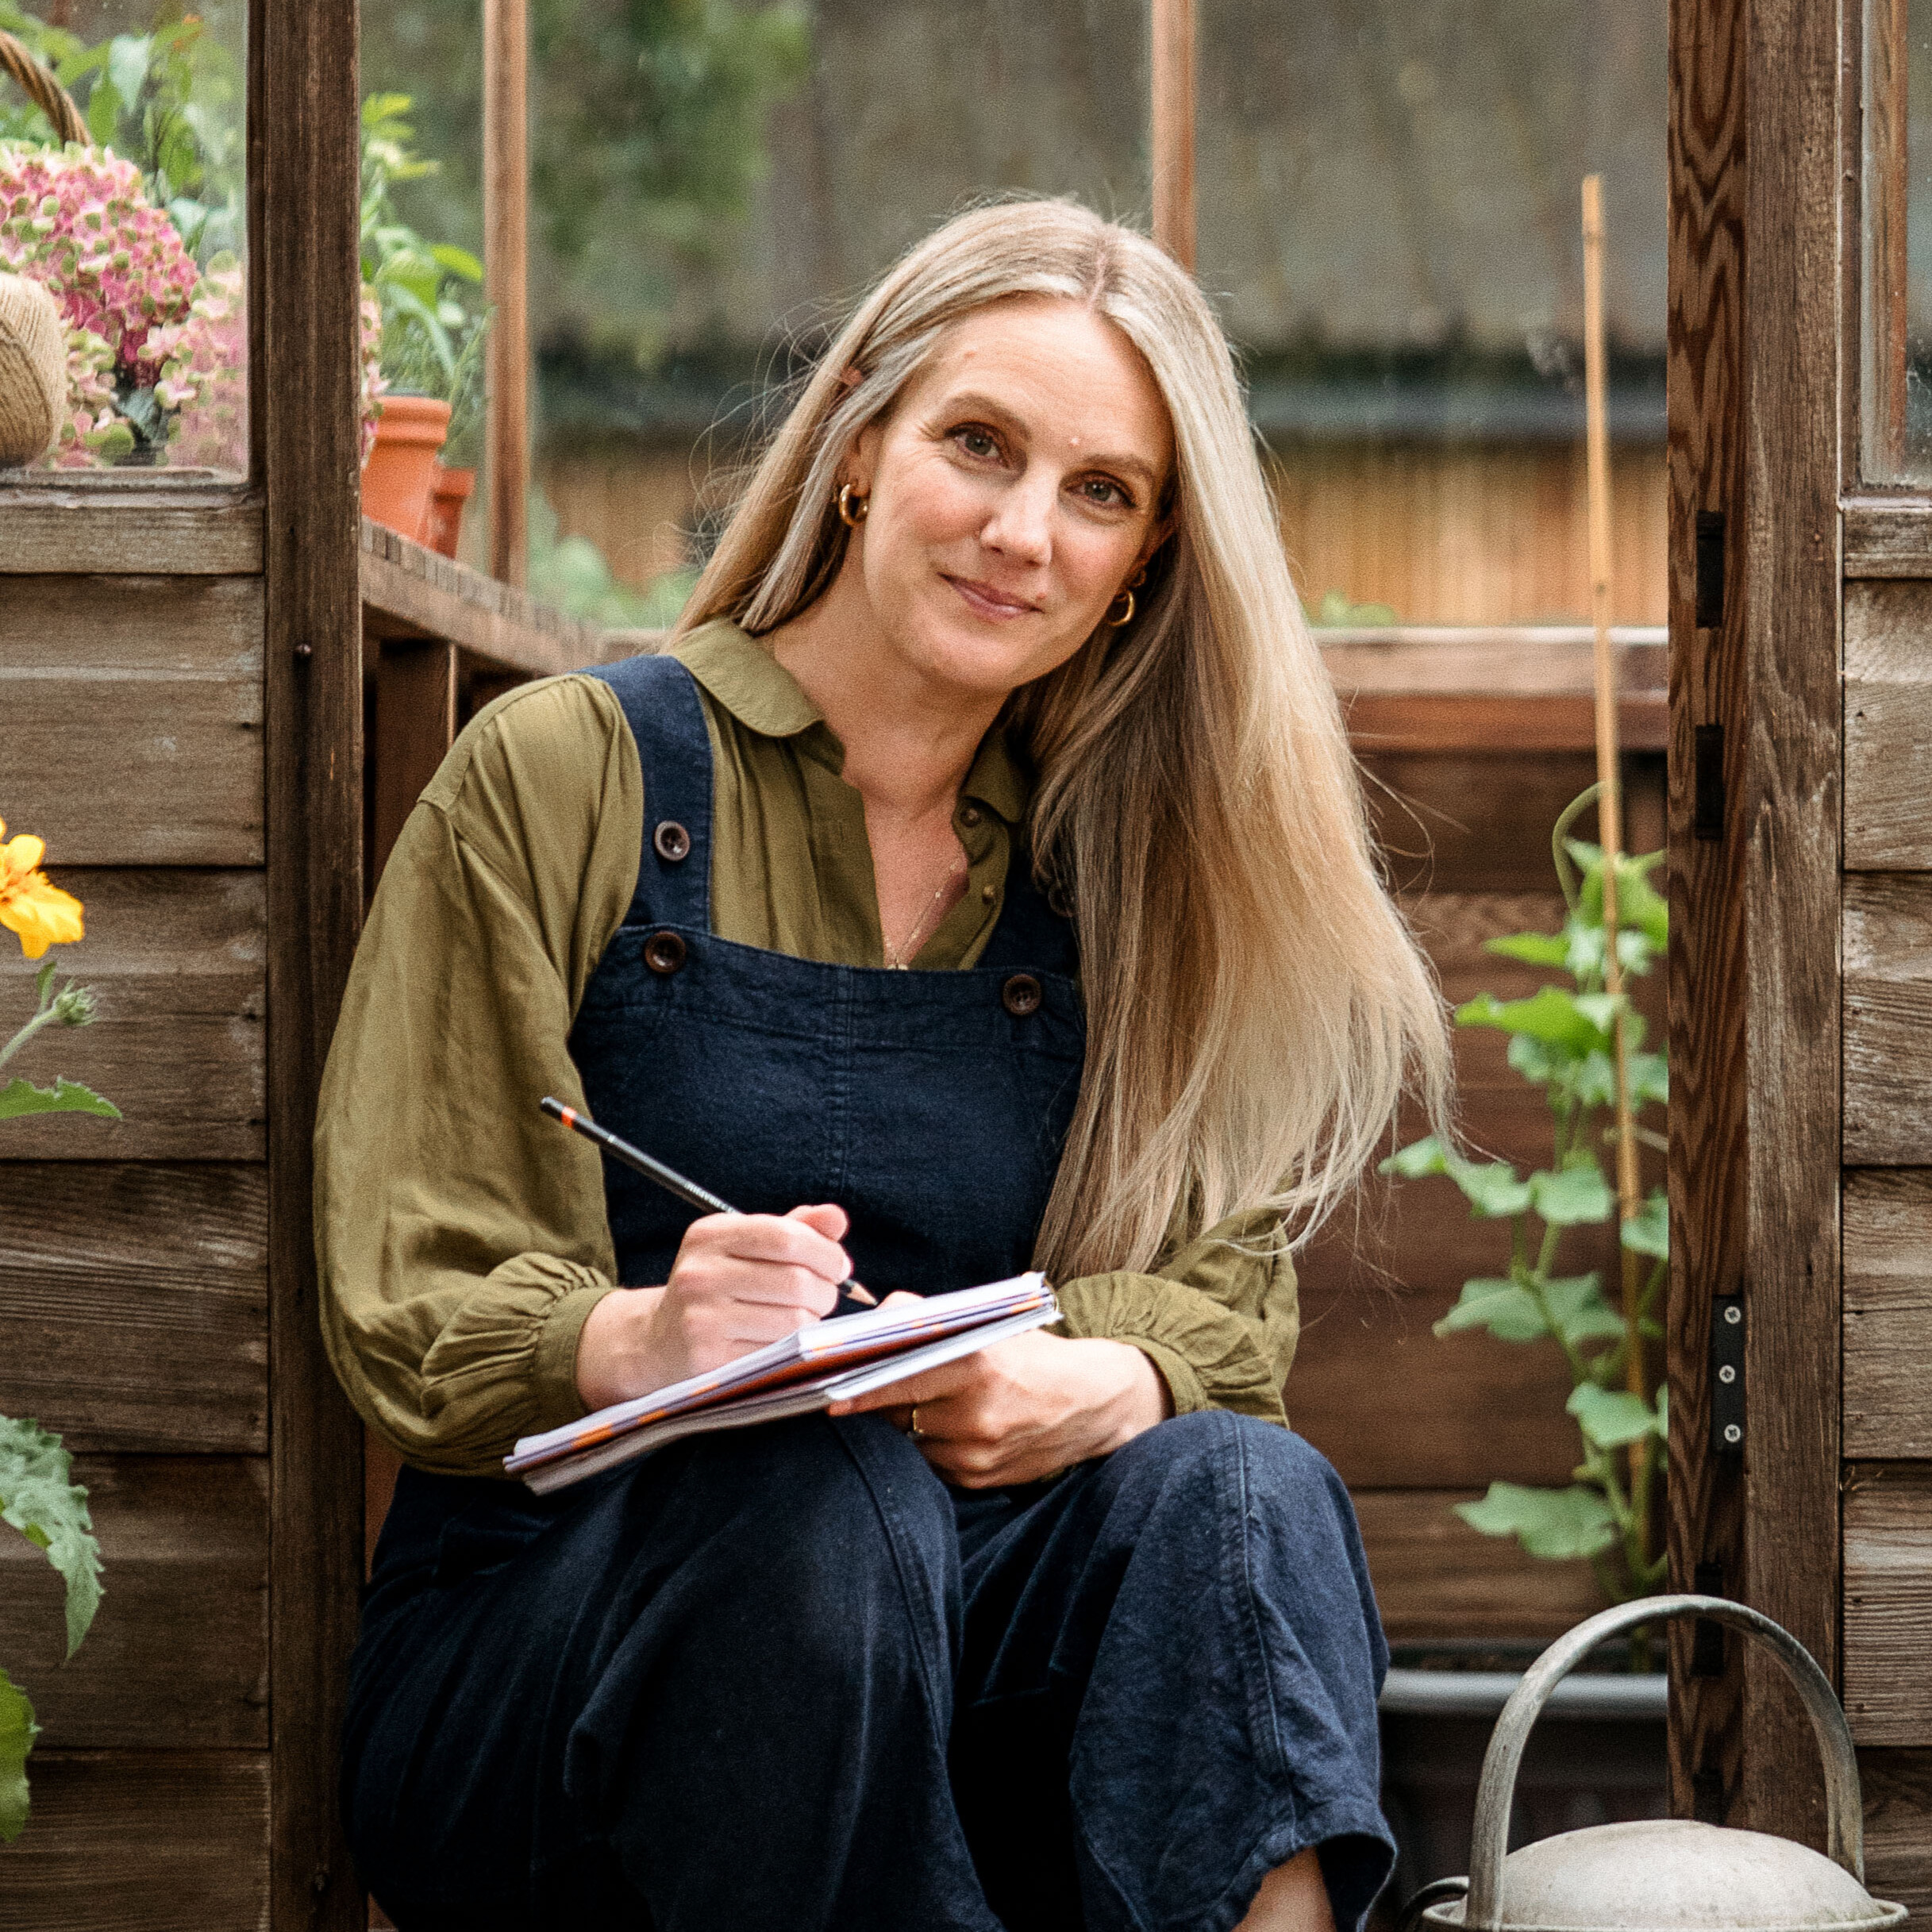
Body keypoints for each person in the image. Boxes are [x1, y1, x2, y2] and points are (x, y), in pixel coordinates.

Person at [317, 197, 1449, 1932]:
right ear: (857, 444)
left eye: (1098, 490)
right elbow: (411, 1291)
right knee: (813, 1488)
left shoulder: (1115, 884)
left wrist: (1109, 1377)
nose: (1019, 531)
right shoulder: (566, 773)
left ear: (1145, 558)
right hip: (554, 1677)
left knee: (1242, 1483)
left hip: (946, 1648)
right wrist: (642, 1331)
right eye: (976, 445)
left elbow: (1227, 1308)